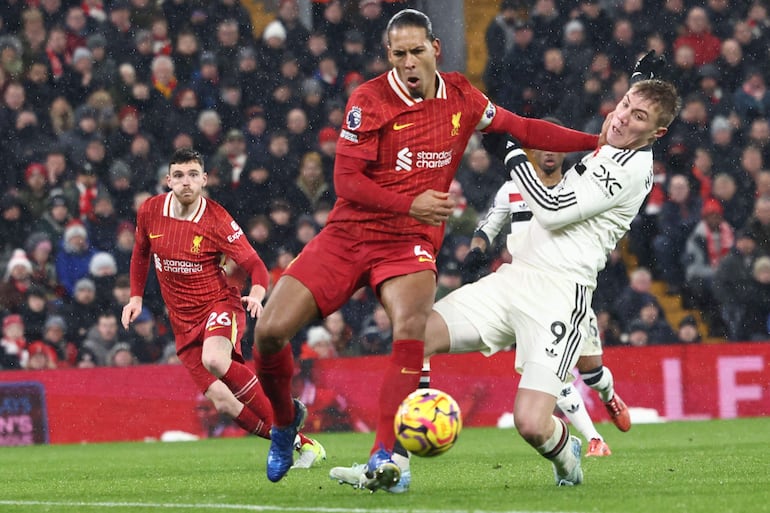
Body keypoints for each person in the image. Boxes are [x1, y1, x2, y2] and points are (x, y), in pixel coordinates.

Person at [254, 8, 600, 487]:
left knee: (411, 329)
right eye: (400, 54)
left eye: (418, 51)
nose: (410, 62)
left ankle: (382, 456)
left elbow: (524, 128)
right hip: (349, 234)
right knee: (269, 333)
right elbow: (345, 181)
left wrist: (598, 142)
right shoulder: (369, 100)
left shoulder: (461, 97)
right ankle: (285, 421)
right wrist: (408, 201)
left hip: (409, 243)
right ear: (388, 56)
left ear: (435, 49)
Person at [420, 70, 680, 486]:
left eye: (639, 117)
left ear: (657, 132)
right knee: (415, 336)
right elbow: (604, 129)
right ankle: (392, 460)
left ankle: (567, 455)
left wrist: (513, 153)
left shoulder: (628, 169)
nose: (622, 117)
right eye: (626, 103)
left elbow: (553, 211)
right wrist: (642, 79)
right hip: (514, 278)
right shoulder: (614, 146)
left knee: (531, 424)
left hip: (560, 296)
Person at [121, 147, 325, 468]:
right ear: (168, 180)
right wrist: (135, 297)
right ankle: (302, 443)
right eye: (178, 175)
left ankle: (285, 414)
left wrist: (257, 294)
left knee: (215, 359)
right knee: (225, 403)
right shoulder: (150, 211)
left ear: (204, 179)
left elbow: (256, 266)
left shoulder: (217, 220)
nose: (185, 182)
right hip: (181, 321)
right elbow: (140, 252)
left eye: (192, 175)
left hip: (219, 304)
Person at [457, 117, 622, 458]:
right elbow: (488, 227)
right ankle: (594, 439)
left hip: (568, 289)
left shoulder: (579, 187)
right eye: (542, 146)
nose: (549, 153)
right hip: (528, 293)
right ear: (530, 151)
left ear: (564, 151)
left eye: (555, 146)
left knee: (592, 370)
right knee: (545, 368)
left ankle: (609, 396)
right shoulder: (510, 189)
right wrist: (476, 251)